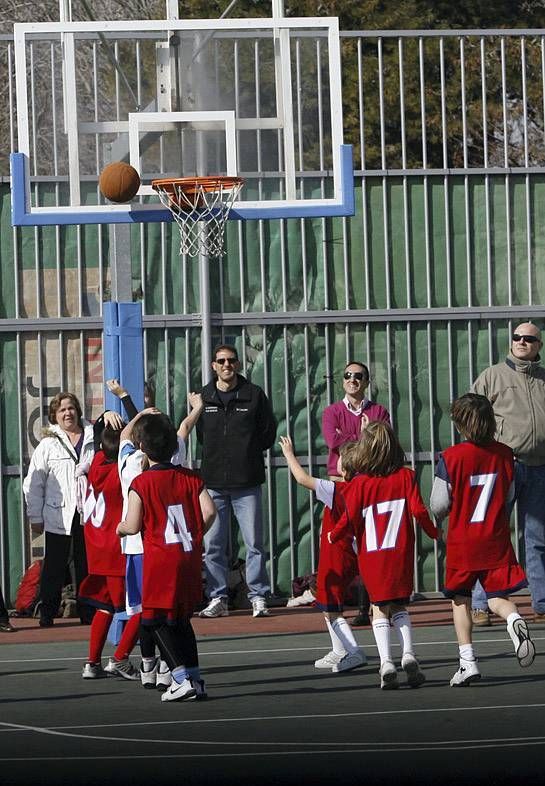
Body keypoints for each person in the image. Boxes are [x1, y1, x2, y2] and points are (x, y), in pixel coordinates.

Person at [430, 393, 535, 686]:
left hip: (464, 540)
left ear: (461, 423)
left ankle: (467, 662)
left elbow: (439, 503)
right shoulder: (506, 454)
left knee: (460, 600)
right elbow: (510, 494)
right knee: (499, 598)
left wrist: (439, 519)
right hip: (496, 537)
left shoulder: (450, 457)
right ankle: (514, 618)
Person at [328, 422, 439, 690]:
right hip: (400, 553)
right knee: (400, 606)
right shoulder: (406, 476)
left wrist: (335, 534)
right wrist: (434, 533)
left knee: (379, 608)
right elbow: (419, 510)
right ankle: (409, 654)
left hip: (373, 556)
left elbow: (350, 516)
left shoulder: (359, 484)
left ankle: (386, 662)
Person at [117, 412, 216, 702]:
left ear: (143, 449)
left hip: (161, 559)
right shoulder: (190, 477)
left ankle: (181, 678)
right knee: (182, 620)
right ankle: (196, 679)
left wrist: (121, 528)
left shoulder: (141, 482)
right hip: (188, 555)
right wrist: (196, 533)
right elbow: (210, 512)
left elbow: (133, 524)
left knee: (153, 620)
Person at [23, 392, 122, 627]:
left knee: (86, 565)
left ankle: (88, 611)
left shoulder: (93, 437)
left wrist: (107, 413)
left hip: (88, 514)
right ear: (55, 416)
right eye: (62, 410)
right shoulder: (48, 445)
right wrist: (35, 516)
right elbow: (33, 485)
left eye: (71, 408)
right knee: (54, 567)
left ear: (78, 411)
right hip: (59, 514)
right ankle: (47, 612)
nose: (68, 413)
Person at [471, 322, 545, 623]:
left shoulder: (543, 378)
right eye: (517, 337)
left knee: (537, 538)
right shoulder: (492, 376)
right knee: (491, 535)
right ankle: (480, 603)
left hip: (540, 467)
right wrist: (484, 453)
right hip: (504, 467)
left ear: (538, 346)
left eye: (529, 339)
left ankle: (541, 604)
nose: (522, 342)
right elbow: (470, 414)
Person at [196, 344, 277, 619]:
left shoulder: (254, 395)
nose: (226, 365)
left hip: (247, 481)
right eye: (221, 361)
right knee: (213, 545)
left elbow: (268, 433)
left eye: (231, 360)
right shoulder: (204, 397)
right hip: (213, 483)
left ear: (239, 364)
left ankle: (258, 596)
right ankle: (218, 598)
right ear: (213, 365)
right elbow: (201, 437)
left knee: (254, 543)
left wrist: (247, 455)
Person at [278, 435, 366, 672]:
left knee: (330, 606)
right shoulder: (364, 488)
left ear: (346, 467)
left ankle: (354, 651)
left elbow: (302, 478)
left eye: (339, 459)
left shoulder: (337, 489)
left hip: (337, 555)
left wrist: (288, 454)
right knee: (329, 603)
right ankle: (339, 650)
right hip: (351, 554)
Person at [322, 361, 390, 626]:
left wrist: (352, 436)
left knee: (369, 544)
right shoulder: (332, 411)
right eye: (348, 375)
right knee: (339, 545)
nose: (353, 380)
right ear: (342, 381)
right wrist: (362, 435)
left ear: (366, 381)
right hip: (341, 482)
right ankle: (335, 604)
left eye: (358, 376)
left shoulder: (379, 411)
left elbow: (382, 442)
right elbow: (332, 441)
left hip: (371, 482)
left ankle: (370, 607)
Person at [79, 422, 141, 680]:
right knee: (142, 607)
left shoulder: (95, 462)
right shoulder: (123, 473)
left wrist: (108, 417)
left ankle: (92, 663)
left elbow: (102, 436)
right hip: (116, 548)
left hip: (95, 547)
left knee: (104, 607)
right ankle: (121, 657)